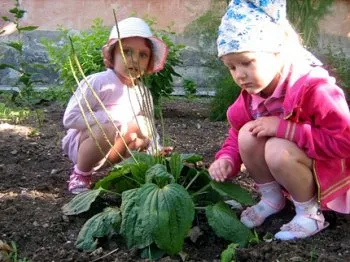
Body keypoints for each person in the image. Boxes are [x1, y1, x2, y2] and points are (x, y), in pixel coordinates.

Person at [209, 0, 350, 241]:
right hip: (294, 167)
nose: (239, 74)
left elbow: (344, 142)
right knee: (246, 133)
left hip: (326, 171)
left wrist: (286, 129)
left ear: (278, 53)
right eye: (231, 67)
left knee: (277, 149)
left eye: (247, 62)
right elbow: (235, 137)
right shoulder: (252, 98)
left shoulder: (314, 89)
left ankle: (310, 213)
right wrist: (226, 159)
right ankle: (272, 199)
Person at [62, 17, 169, 194]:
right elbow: (70, 118)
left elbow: (150, 126)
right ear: (111, 55)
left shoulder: (142, 93)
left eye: (143, 55)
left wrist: (155, 149)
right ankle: (81, 174)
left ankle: (123, 172)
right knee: (110, 127)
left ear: (149, 62)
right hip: (87, 146)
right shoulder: (98, 82)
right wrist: (111, 117)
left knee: (143, 123)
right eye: (127, 52)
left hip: (117, 150)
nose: (134, 60)